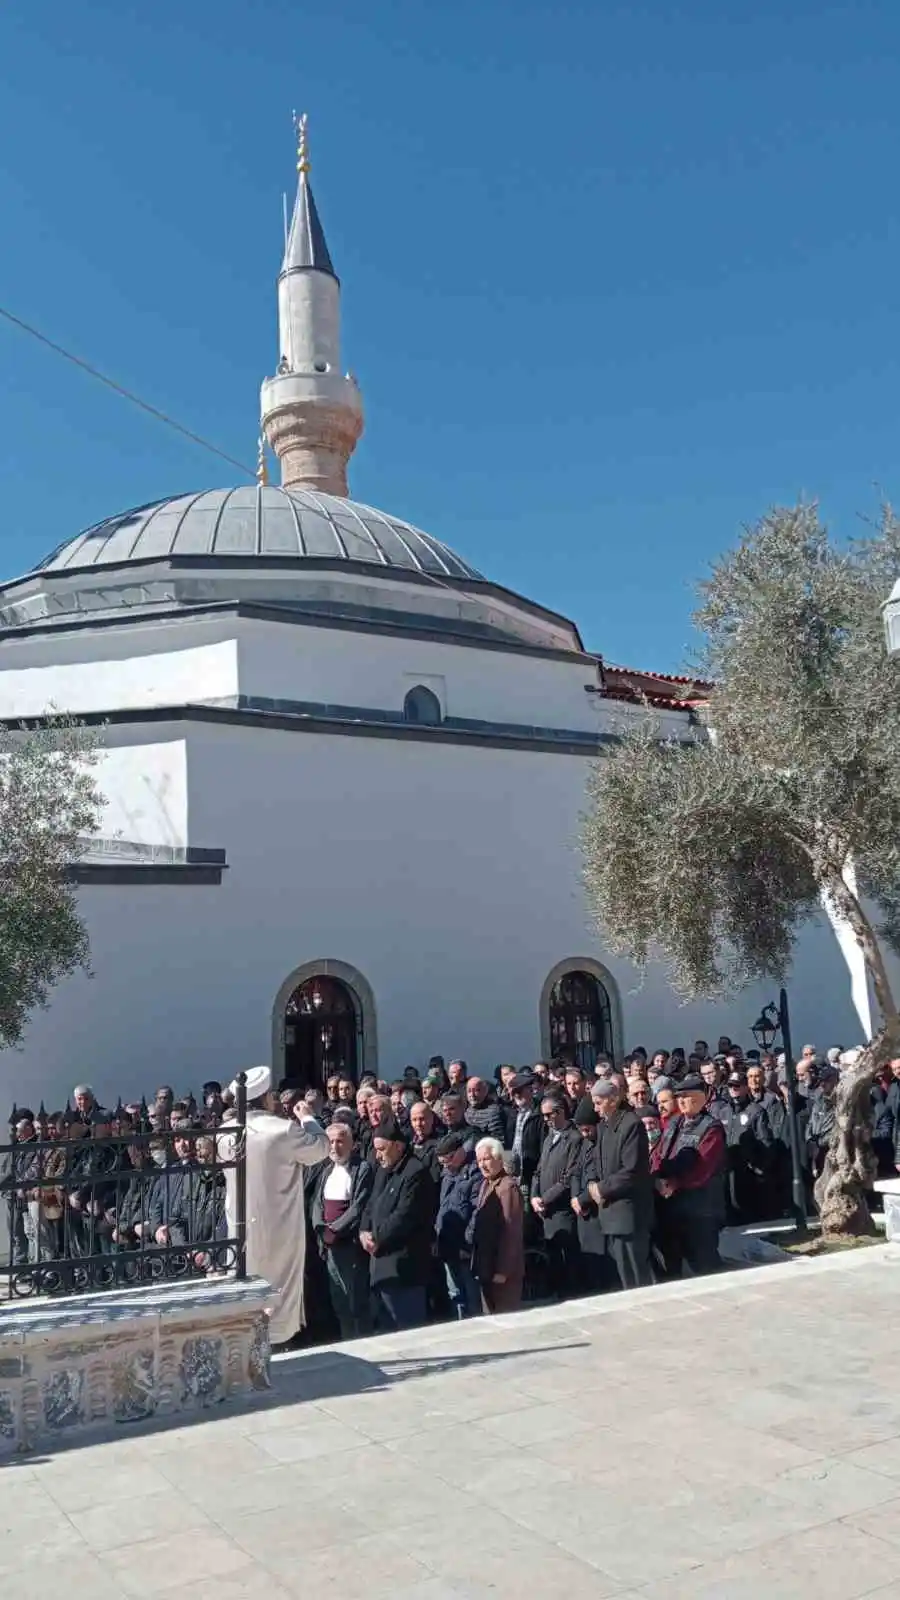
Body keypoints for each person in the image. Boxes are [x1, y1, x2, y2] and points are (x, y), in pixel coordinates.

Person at [222, 1065, 329, 1347]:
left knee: (246, 1293)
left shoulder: (223, 1132)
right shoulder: (282, 1129)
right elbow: (320, 1148)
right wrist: (308, 1118)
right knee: (278, 1294)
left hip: (240, 1227)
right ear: (267, 1097)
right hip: (278, 1227)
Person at [360, 1115, 437, 1330]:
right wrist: (363, 1231)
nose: (378, 1155)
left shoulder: (415, 1172)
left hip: (404, 1268)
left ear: (398, 1146)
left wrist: (377, 1238)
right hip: (381, 1267)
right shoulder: (383, 1170)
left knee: (408, 1329)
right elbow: (370, 1205)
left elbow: (405, 1215)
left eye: (382, 1149)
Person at [652, 1074, 727, 1278]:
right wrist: (657, 1179)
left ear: (700, 1098)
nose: (682, 1101)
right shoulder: (674, 1123)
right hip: (671, 1207)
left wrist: (674, 1184)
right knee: (671, 1264)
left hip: (700, 1210)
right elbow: (659, 1153)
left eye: (687, 1096)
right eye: (679, 1097)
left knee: (704, 1266)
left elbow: (704, 1168)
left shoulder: (711, 1128)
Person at [586, 1078, 654, 1289]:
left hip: (628, 1213)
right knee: (624, 1277)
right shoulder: (604, 1127)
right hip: (610, 1213)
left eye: (599, 1102)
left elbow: (632, 1170)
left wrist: (601, 1189)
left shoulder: (630, 1124)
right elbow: (595, 1161)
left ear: (613, 1100)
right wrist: (591, 1184)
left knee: (636, 1276)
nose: (595, 1108)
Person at [311, 1119, 373, 1340]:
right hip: (328, 1247)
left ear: (351, 1143)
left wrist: (335, 1230)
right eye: (331, 1141)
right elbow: (317, 1204)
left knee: (356, 1300)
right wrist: (321, 1228)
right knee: (339, 1301)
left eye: (340, 1141)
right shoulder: (326, 1170)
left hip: (349, 1246)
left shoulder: (362, 1168)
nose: (335, 1146)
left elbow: (359, 1206)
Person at [530, 1095, 582, 1301]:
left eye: (548, 1115)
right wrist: (534, 1197)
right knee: (554, 1260)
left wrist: (546, 1198)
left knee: (568, 1261)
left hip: (562, 1210)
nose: (545, 1120)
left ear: (560, 1112)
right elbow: (538, 1171)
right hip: (546, 1213)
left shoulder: (574, 1138)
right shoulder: (549, 1138)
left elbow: (569, 1177)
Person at [472, 1137, 524, 1312]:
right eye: (479, 1160)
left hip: (502, 1273)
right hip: (486, 1267)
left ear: (499, 1159)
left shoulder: (507, 1187)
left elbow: (512, 1231)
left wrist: (504, 1270)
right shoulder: (485, 1185)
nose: (482, 1165)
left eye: (486, 1159)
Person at [716, 1071, 776, 1223]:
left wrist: (759, 1168)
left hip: (748, 1173)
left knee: (747, 1215)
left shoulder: (755, 1111)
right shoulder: (723, 1112)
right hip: (728, 1170)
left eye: (737, 1085)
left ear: (745, 1087)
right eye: (730, 1085)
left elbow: (766, 1142)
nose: (733, 1089)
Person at [434, 1131, 483, 1318]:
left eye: (448, 1159)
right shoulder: (447, 1174)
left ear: (459, 1152)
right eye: (442, 1162)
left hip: (465, 1248)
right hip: (447, 1244)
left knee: (471, 1295)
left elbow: (476, 1212)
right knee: (454, 1294)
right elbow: (442, 1206)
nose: (446, 1165)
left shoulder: (474, 1174)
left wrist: (467, 1243)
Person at [508, 1072, 543, 1190]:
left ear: (530, 1090)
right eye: (514, 1093)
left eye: (519, 1092)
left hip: (533, 1175)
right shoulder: (511, 1113)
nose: (516, 1096)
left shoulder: (540, 1114)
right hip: (514, 1175)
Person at [465, 1078, 506, 1143]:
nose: (472, 1095)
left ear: (485, 1091)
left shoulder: (493, 1111)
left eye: (477, 1090)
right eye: (469, 1091)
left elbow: (497, 1140)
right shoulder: (467, 1110)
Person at [409, 1100, 442, 1180]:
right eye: (414, 1120)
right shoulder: (409, 1145)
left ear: (432, 1119)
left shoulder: (439, 1146)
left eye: (422, 1119)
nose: (418, 1124)